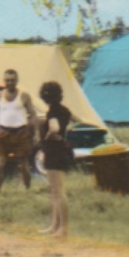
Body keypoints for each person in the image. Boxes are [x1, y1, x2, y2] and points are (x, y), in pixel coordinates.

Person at [0, 68, 38, 192]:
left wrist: (36, 133)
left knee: (23, 165)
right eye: (7, 80)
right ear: (4, 81)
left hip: (21, 133)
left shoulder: (24, 96)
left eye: (12, 80)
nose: (9, 83)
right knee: (0, 164)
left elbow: (32, 114)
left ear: (17, 80)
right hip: (3, 133)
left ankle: (27, 189)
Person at [36, 80, 73, 237]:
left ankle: (63, 228)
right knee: (55, 191)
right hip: (62, 151)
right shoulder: (65, 110)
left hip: (54, 152)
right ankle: (54, 225)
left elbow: (54, 128)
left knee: (57, 191)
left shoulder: (52, 112)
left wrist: (49, 136)